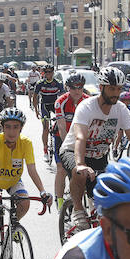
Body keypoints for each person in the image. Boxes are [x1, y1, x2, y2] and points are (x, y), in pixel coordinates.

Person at [60, 67, 130, 230]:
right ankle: (78, 210)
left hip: (99, 156)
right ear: (101, 87)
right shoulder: (87, 107)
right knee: (79, 173)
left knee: (109, 204)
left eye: (119, 89)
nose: (116, 93)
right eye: (112, 88)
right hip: (73, 151)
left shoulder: (121, 109)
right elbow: (81, 137)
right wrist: (80, 164)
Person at [0, 107, 50, 259]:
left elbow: (32, 169)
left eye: (16, 127)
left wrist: (42, 191)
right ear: (2, 128)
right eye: (8, 127)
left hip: (12, 181)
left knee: (24, 203)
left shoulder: (25, 143)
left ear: (21, 128)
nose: (12, 131)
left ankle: (14, 225)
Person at [51, 74, 90, 210]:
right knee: (61, 169)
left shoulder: (88, 101)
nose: (77, 91)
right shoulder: (60, 102)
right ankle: (60, 201)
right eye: (73, 88)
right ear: (68, 88)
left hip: (81, 138)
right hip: (62, 138)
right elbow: (61, 128)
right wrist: (69, 149)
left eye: (80, 87)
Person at [33, 65, 65, 162]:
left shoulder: (58, 83)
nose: (48, 74)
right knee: (45, 128)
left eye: (50, 72)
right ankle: (45, 150)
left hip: (55, 105)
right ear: (44, 73)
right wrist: (36, 110)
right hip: (44, 106)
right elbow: (35, 97)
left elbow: (64, 96)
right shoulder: (40, 83)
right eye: (46, 72)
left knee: (62, 125)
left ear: (53, 72)